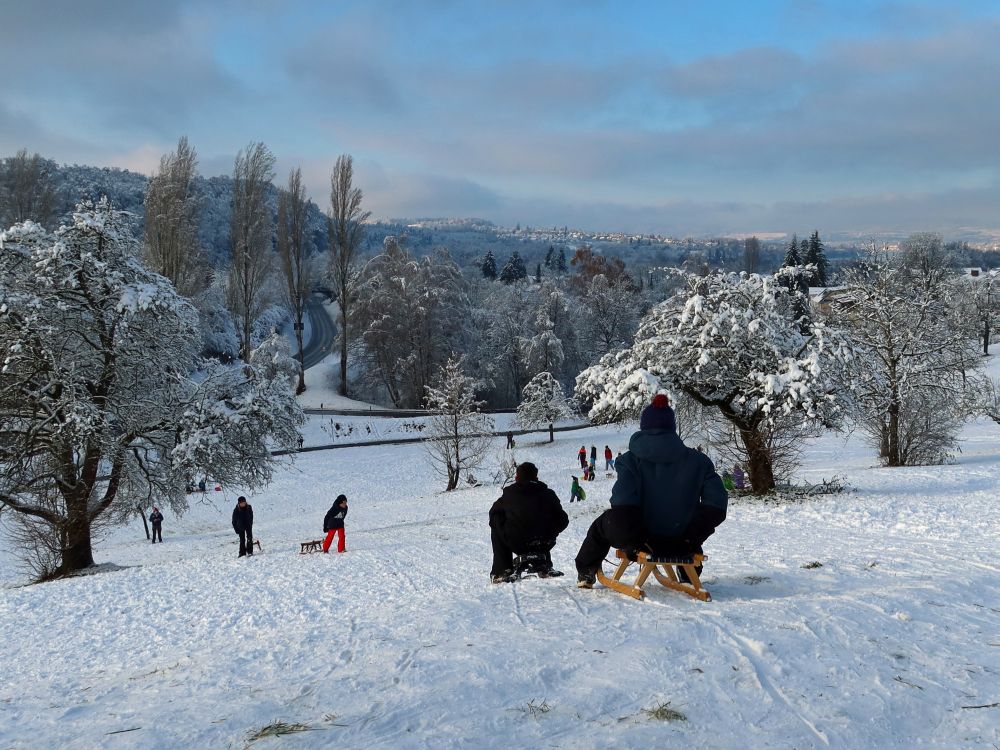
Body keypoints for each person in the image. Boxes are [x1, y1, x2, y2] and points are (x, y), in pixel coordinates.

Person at [575, 394, 728, 588]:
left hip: (643, 540)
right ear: (672, 428)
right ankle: (687, 571)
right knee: (686, 523)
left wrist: (636, 541)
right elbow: (716, 505)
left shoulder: (629, 461)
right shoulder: (700, 461)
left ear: (644, 427)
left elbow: (623, 503)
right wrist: (691, 536)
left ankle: (586, 571)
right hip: (681, 537)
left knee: (600, 526)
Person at [489, 462, 569, 583]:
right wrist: (550, 531)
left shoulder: (509, 495)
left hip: (516, 542)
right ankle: (544, 563)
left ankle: (502, 569)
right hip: (544, 542)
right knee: (543, 521)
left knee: (496, 521)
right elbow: (563, 520)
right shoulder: (548, 494)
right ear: (536, 478)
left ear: (516, 478)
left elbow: (493, 513)